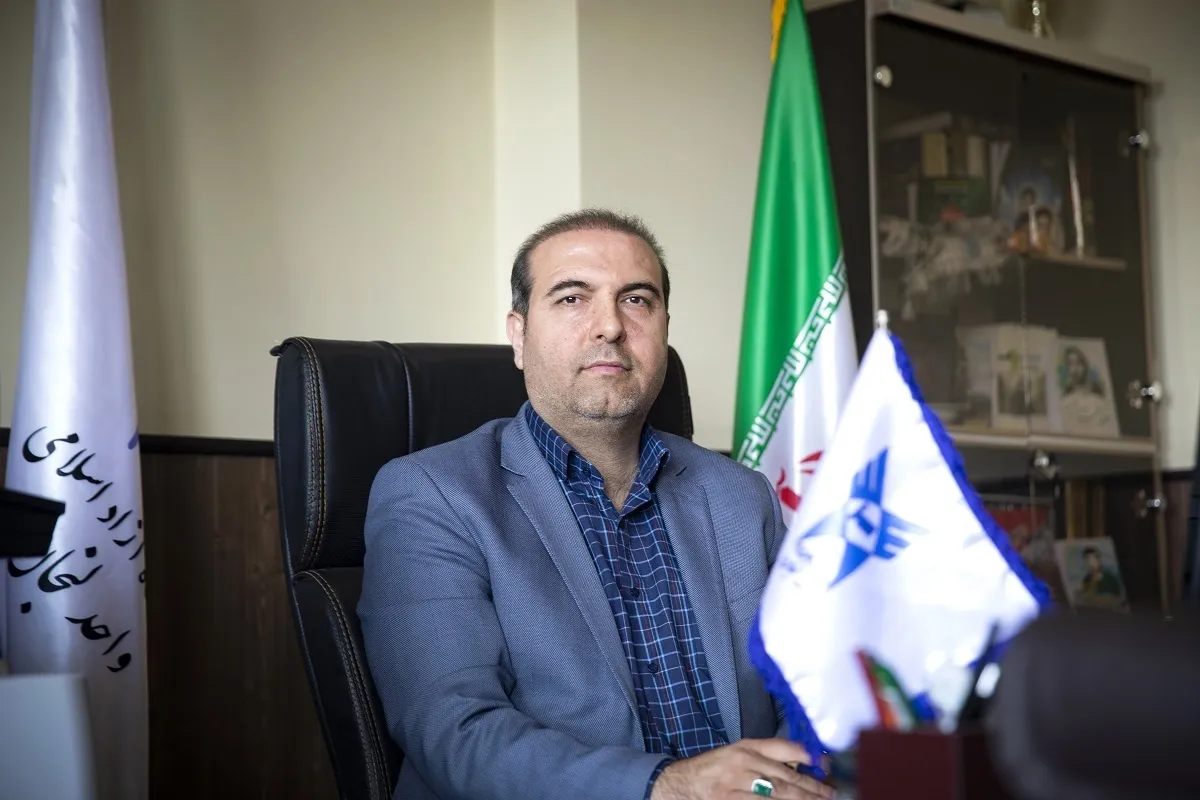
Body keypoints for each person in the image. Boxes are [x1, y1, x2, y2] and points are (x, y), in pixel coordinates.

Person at [358, 209, 833, 800]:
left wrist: (788, 781)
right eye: (572, 298)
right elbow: (454, 732)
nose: (609, 326)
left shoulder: (739, 494)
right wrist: (670, 787)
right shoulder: (431, 495)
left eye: (636, 300)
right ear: (518, 335)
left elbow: (815, 686)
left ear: (663, 329)